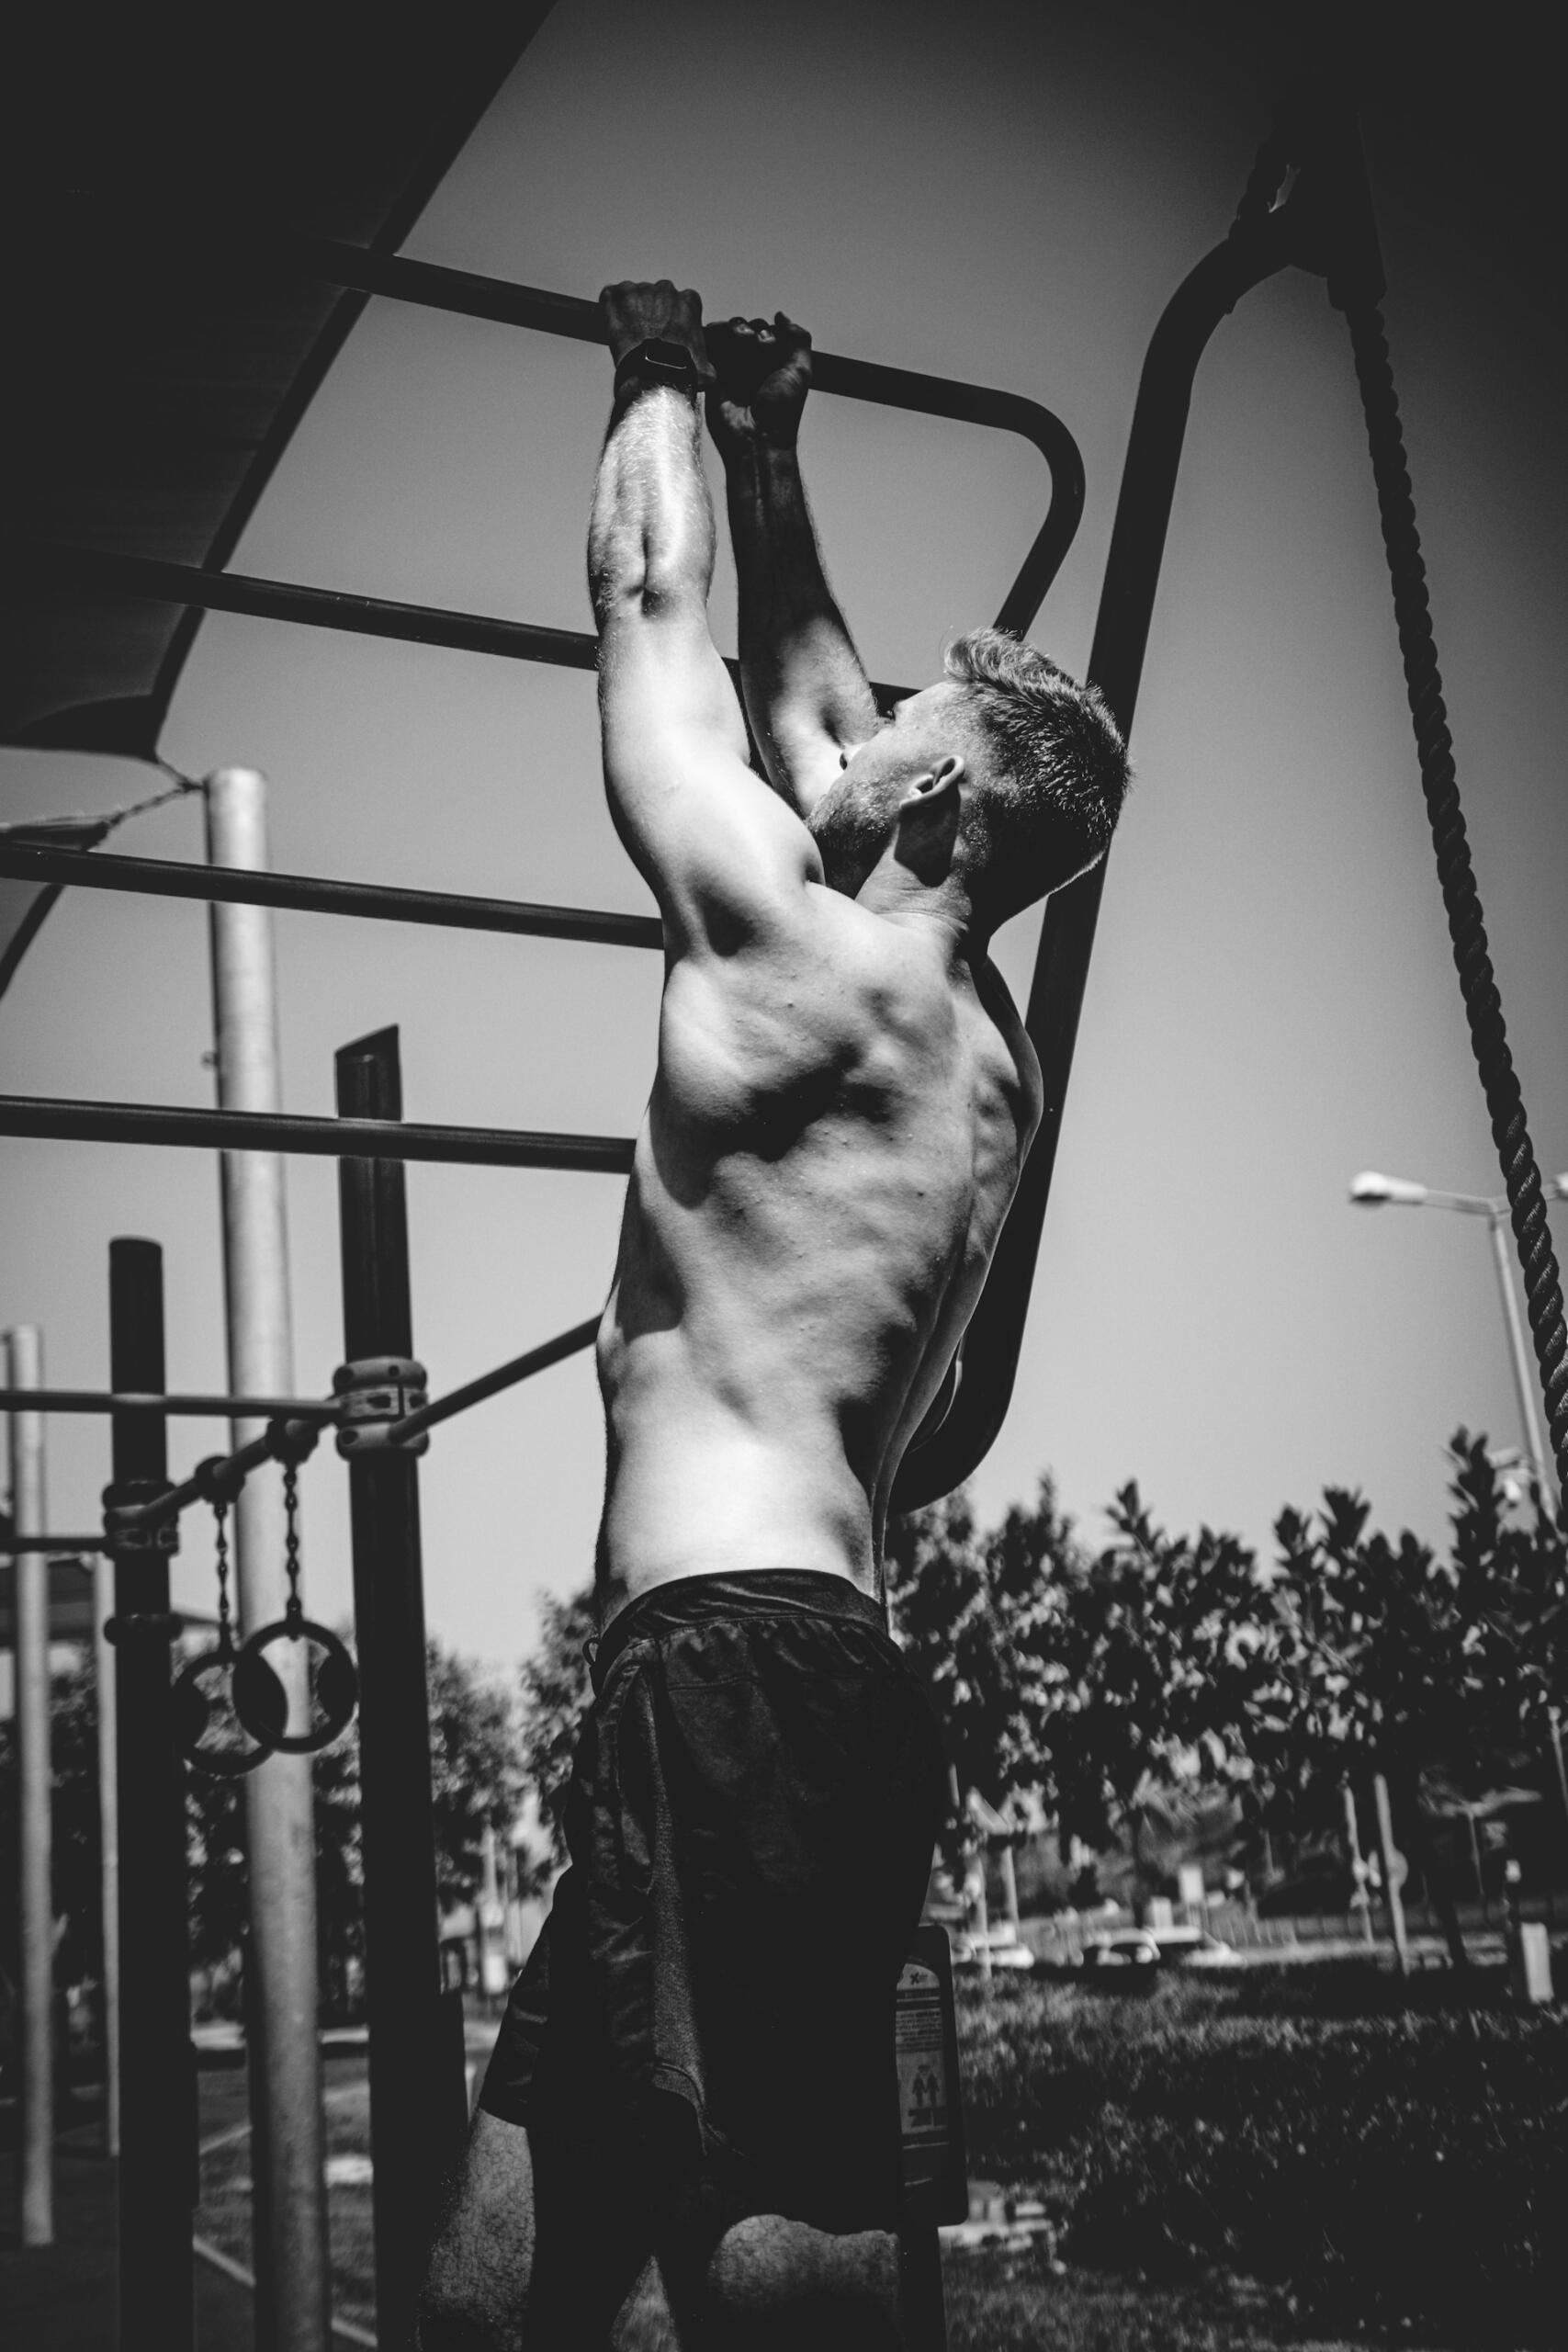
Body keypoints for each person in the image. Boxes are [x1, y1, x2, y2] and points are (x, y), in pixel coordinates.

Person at [419, 282, 1128, 2351]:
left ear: (919, 814)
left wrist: (645, 380)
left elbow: (654, 604)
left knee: (617, 2282)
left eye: (894, 720)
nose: (840, 713)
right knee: (670, 2247)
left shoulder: (765, 929)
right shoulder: (981, 1050)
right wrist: (776, 447)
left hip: (709, 1668)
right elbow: (826, 704)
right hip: (836, 1667)